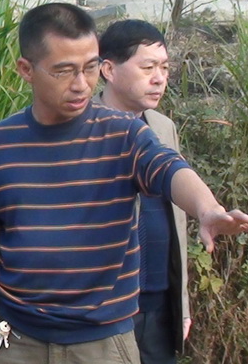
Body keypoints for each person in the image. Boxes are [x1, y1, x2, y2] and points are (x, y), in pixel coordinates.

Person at [0, 3, 248, 364]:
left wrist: (207, 209)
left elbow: (169, 168)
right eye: (64, 71)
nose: (82, 84)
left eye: (90, 68)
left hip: (103, 346)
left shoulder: (123, 134)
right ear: (26, 70)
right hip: (16, 343)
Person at [96, 19, 189, 363]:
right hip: (105, 308)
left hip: (159, 305)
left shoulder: (164, 128)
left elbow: (178, 222)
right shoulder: (83, 127)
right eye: (147, 68)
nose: (159, 78)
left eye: (164, 68)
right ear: (108, 70)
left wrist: (182, 306)